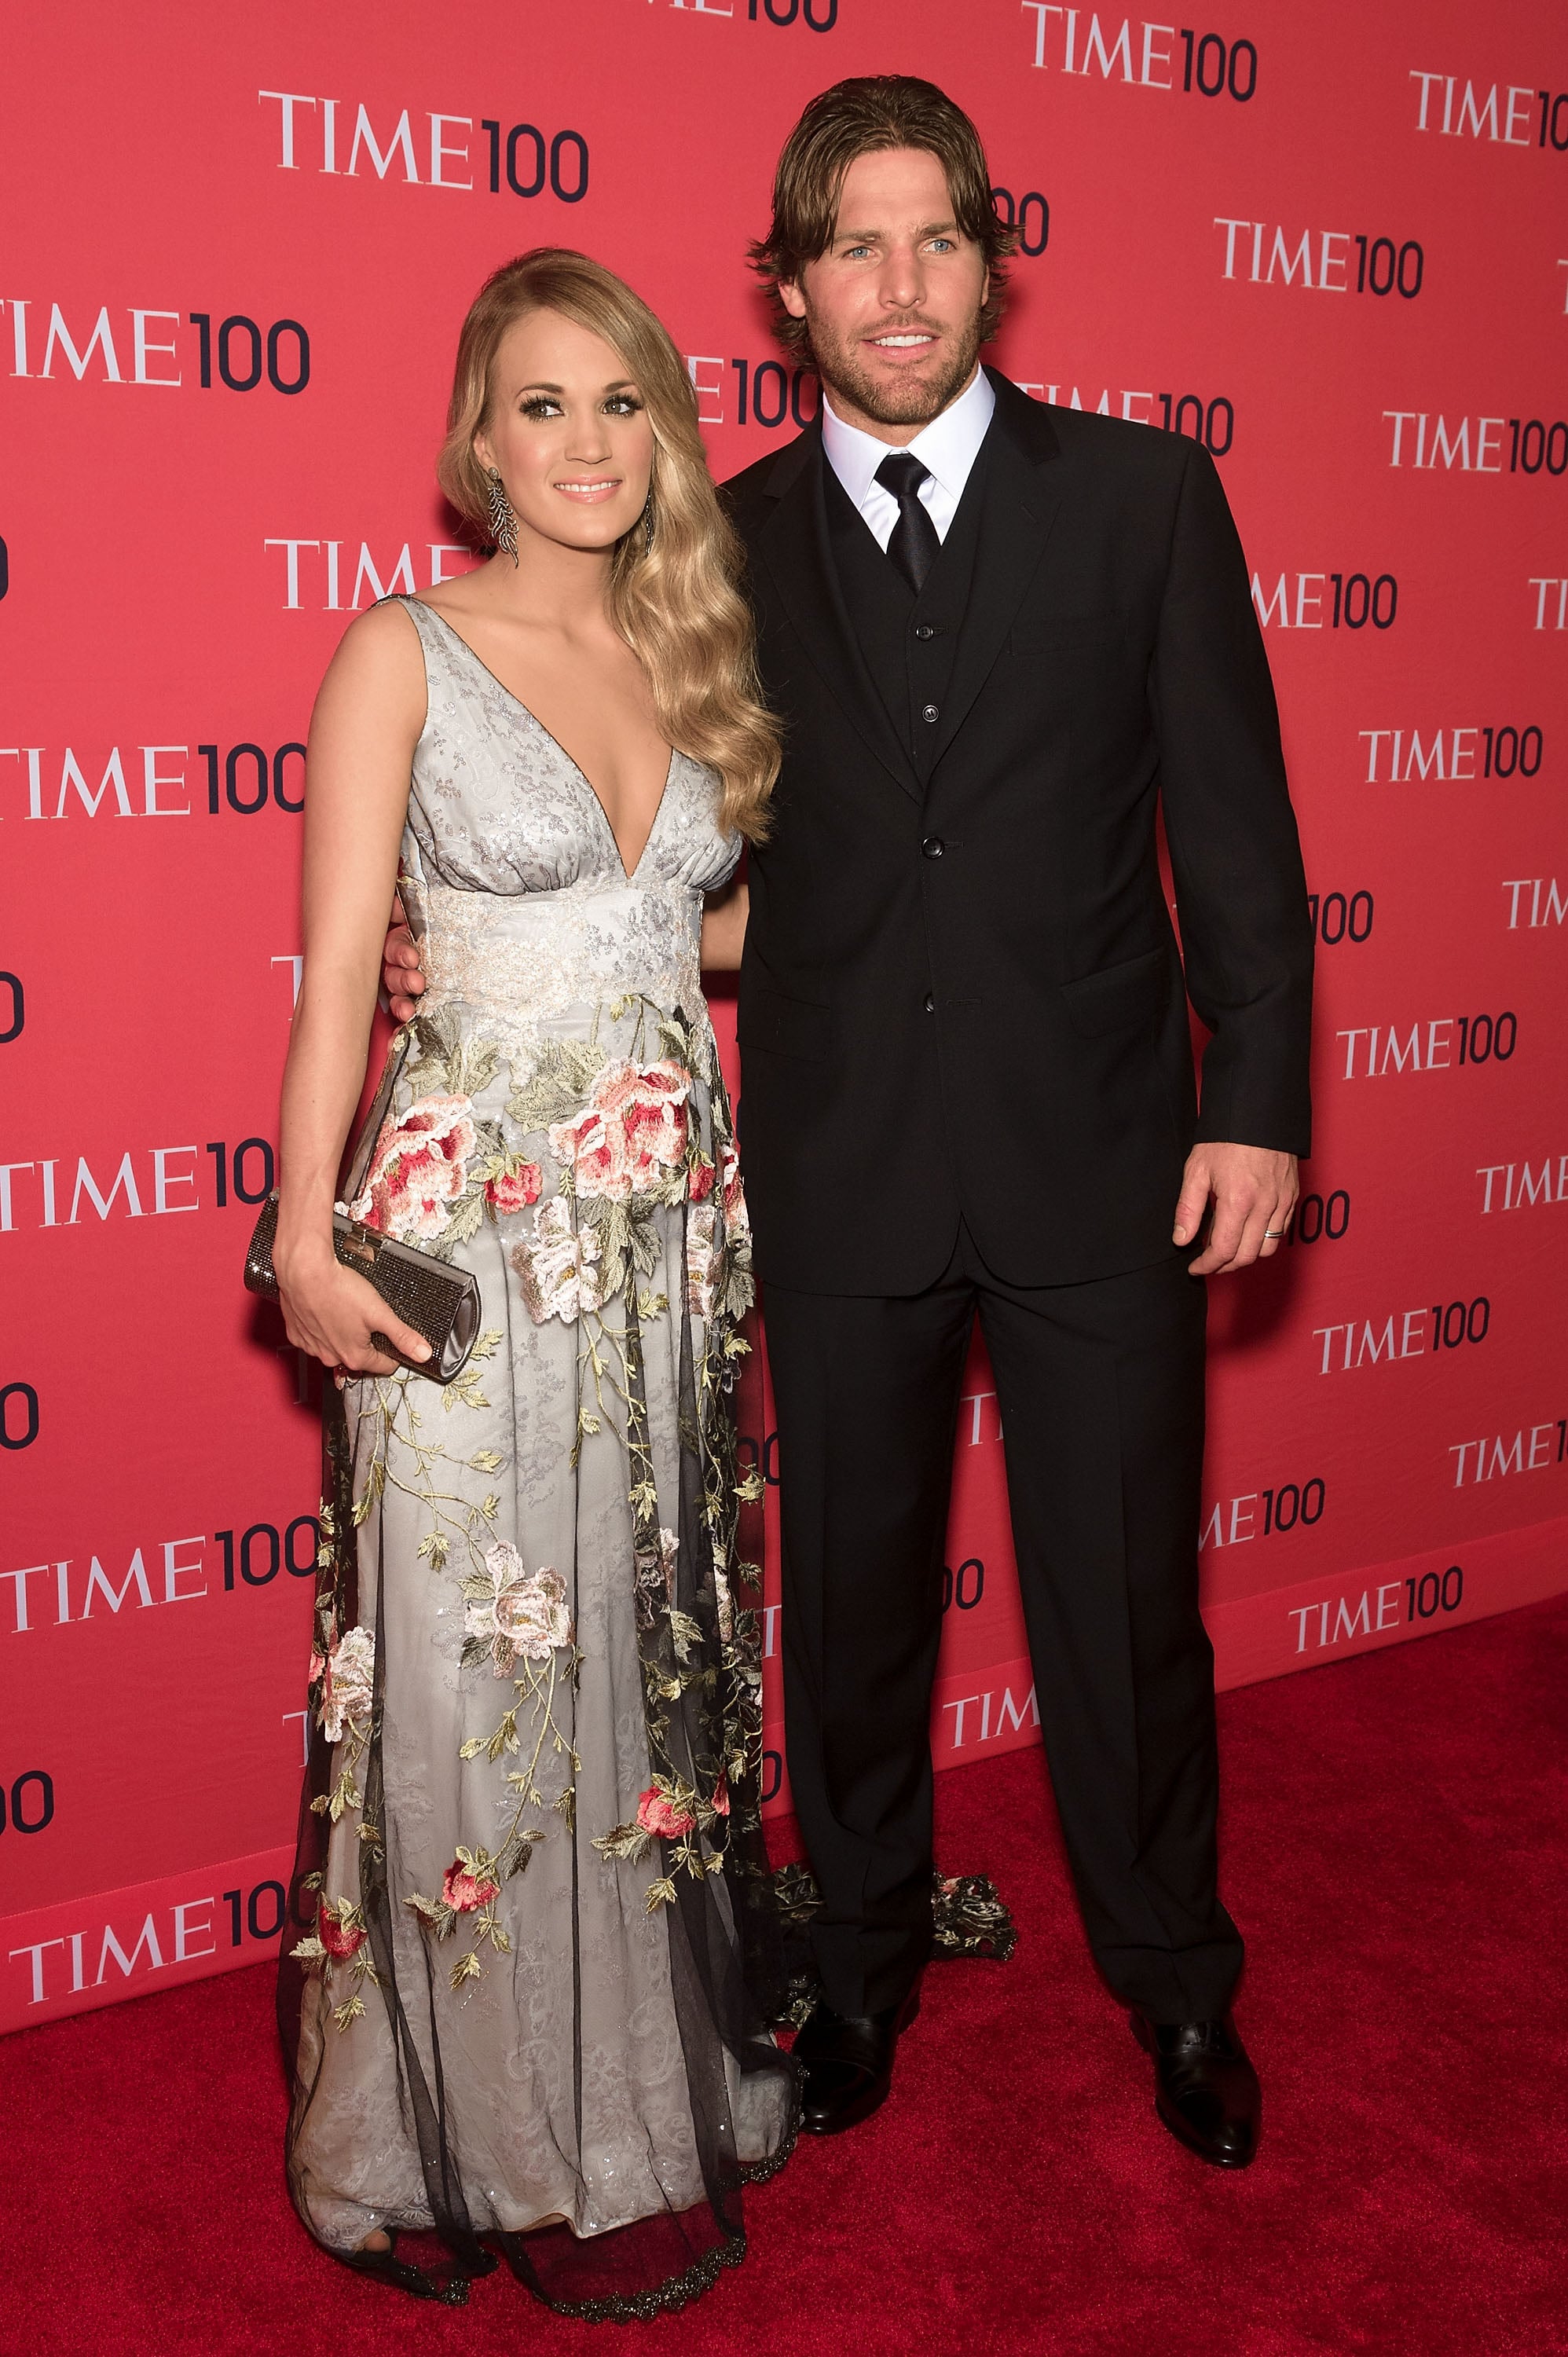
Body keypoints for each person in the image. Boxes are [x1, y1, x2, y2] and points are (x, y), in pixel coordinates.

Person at [387, 78, 1314, 2172]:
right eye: (852, 248)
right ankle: (862, 1968)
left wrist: (1253, 1104)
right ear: (788, 290)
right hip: (834, 1162)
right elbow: (653, 849)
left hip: (1104, 1159)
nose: (897, 286)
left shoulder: (1143, 499)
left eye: (936, 239)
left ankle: (1175, 1984)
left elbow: (1235, 838)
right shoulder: (712, 539)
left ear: (990, 259)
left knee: (1121, 1607)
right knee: (852, 1619)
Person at [271, 247, 797, 2313]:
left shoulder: (695, 660)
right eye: (541, 405)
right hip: (471, 1236)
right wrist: (300, 1235)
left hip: (664, 1241)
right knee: (475, 1685)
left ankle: (632, 2106)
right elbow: (333, 979)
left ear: (666, 432)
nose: (585, 442)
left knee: (638, 1686)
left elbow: (691, 940)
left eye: (622, 403)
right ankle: (462, 2129)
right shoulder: (401, 647)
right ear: (477, 443)